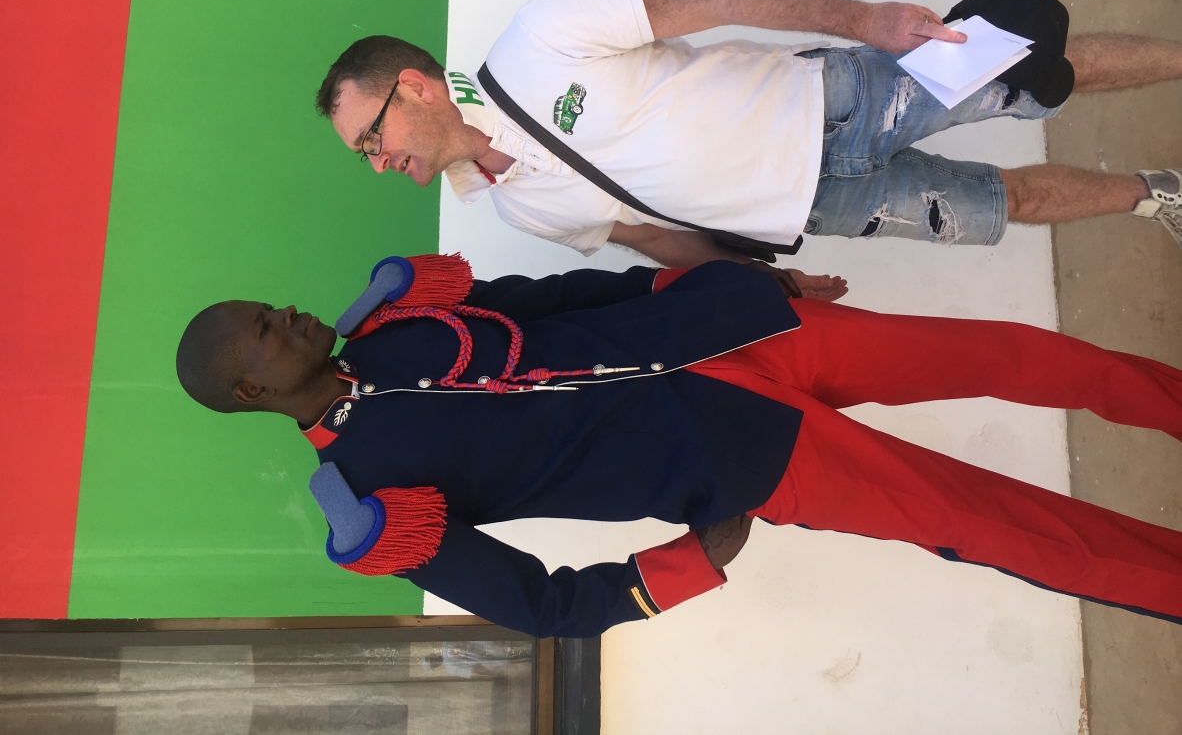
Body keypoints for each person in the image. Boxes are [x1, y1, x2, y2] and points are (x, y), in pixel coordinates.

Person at [176, 255, 1182, 638]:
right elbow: (540, 606)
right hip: (739, 456)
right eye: (265, 328)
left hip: (739, 333)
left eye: (270, 304)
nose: (288, 312)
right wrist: (681, 567)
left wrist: (709, 280)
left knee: (1016, 353)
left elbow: (564, 296)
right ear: (252, 389)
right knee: (992, 522)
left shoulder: (398, 316)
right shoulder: (369, 501)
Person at [316, 0, 1182, 280]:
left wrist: (866, 21)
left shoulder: (536, 39)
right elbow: (655, 239)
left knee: (1028, 68)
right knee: (1005, 202)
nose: (377, 161)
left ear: (414, 88)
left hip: (832, 100)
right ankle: (1158, 194)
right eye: (364, 156)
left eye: (369, 139)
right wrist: (768, 287)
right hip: (825, 209)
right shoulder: (516, 207)